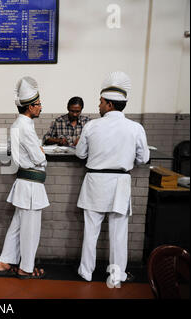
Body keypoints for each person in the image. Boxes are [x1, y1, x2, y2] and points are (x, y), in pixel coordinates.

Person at [76, 71, 150, 285]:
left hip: (95, 182)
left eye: (100, 102)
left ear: (108, 104)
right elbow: (143, 158)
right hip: (120, 183)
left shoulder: (91, 126)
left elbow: (80, 154)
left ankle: (86, 272)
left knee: (91, 231)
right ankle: (117, 275)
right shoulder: (136, 128)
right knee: (118, 235)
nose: (98, 105)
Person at [0, 76, 50, 279]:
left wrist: (39, 151)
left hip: (25, 184)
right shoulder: (25, 126)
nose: (40, 107)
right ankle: (25, 268)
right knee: (30, 230)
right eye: (38, 104)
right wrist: (41, 153)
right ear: (29, 107)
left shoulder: (18, 124)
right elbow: (39, 158)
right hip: (30, 186)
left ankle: (4, 262)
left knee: (18, 226)